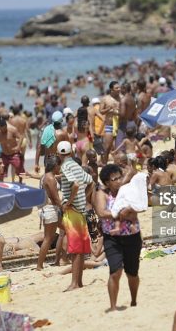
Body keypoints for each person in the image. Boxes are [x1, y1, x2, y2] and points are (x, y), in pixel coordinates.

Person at [95, 164, 142, 311]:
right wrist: (119, 212)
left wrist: (129, 210)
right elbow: (102, 212)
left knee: (132, 273)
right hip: (112, 238)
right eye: (114, 179)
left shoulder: (128, 189)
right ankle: (113, 306)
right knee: (115, 271)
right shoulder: (102, 194)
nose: (118, 181)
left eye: (120, 177)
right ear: (107, 183)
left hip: (132, 236)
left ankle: (134, 300)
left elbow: (138, 205)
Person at [57, 141, 93, 292]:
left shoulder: (65, 166)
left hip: (72, 211)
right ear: (71, 152)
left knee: (75, 249)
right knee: (80, 249)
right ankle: (79, 282)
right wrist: (83, 198)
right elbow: (91, 182)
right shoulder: (75, 165)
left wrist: (68, 202)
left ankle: (74, 283)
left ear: (59, 154)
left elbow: (76, 184)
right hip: (80, 211)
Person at [36, 155, 62, 270]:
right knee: (48, 238)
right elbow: (55, 198)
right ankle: (39, 265)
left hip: (48, 209)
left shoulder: (46, 176)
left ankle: (61, 258)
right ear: (55, 166)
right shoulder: (50, 179)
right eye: (59, 165)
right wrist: (64, 207)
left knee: (67, 230)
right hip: (51, 210)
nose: (60, 168)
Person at [100, 81, 121, 165]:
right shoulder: (105, 99)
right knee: (107, 147)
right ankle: (104, 165)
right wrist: (109, 109)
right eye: (117, 88)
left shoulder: (122, 98)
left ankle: (117, 165)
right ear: (111, 89)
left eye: (119, 87)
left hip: (120, 126)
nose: (119, 89)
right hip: (109, 125)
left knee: (119, 148)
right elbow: (101, 111)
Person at [116, 82, 137, 149]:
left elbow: (122, 114)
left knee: (120, 146)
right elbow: (135, 114)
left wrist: (115, 112)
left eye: (121, 88)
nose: (120, 90)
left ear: (124, 89)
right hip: (132, 123)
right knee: (129, 146)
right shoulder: (132, 99)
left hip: (124, 124)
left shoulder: (123, 100)